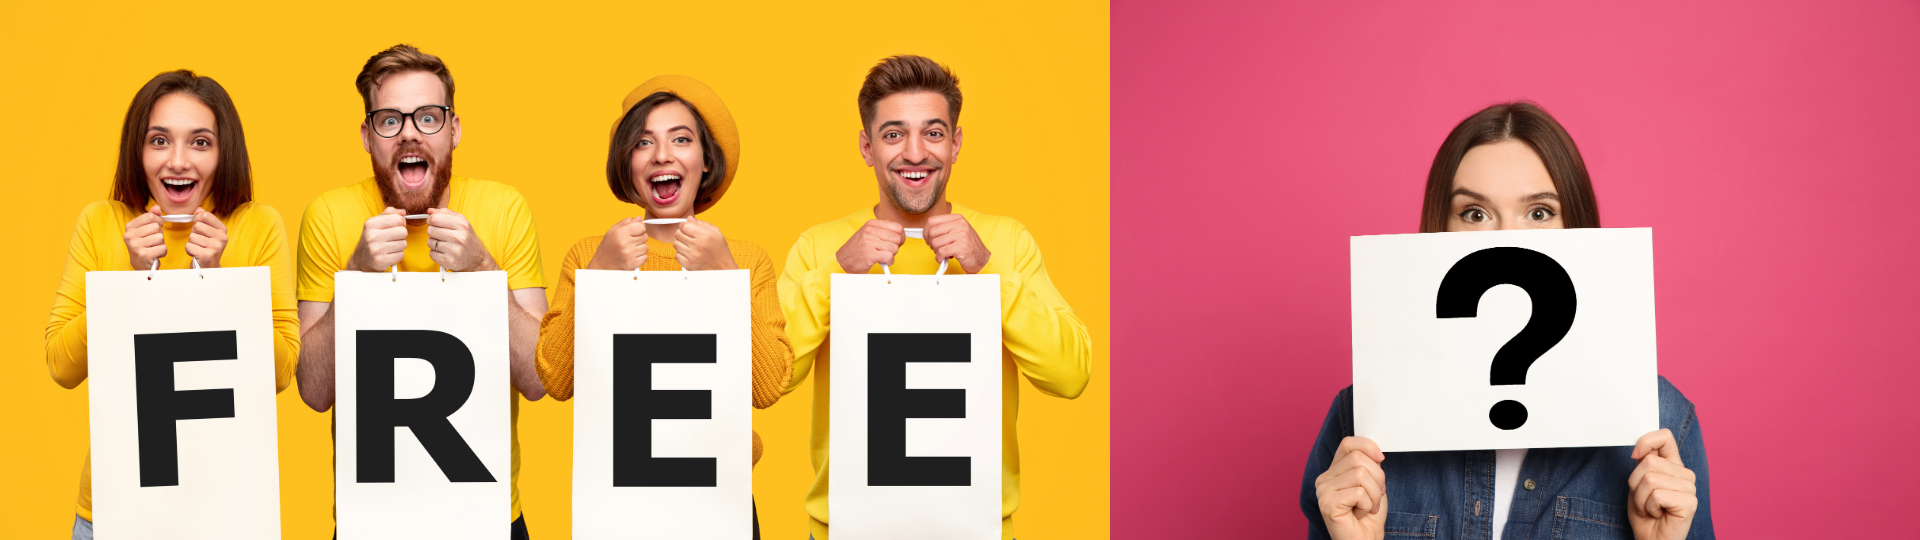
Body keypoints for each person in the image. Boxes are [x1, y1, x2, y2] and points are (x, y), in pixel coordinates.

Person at [1301, 102, 1712, 540]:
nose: (1506, 241)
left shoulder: (1657, 422)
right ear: (1438, 227)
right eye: (1475, 214)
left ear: (1578, 226)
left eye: (1539, 212)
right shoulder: (1365, 423)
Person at [780, 54, 1093, 540]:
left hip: (976, 529)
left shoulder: (1004, 242)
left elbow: (1070, 375)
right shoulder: (822, 248)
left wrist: (986, 270)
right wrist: (834, 274)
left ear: (955, 143)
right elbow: (771, 377)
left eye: (932, 132)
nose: (914, 152)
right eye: (892, 134)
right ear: (867, 147)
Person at [292, 44, 547, 539]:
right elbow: (314, 390)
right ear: (368, 136)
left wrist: (482, 269)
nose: (409, 133)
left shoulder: (503, 208)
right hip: (372, 518)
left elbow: (539, 379)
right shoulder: (330, 215)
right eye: (390, 120)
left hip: (486, 515)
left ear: (454, 130)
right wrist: (357, 277)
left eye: (428, 117)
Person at [534, 75, 793, 538]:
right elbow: (556, 378)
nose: (662, 155)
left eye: (681, 139)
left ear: (705, 161)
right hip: (616, 500)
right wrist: (600, 275)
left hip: (719, 500)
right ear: (627, 164)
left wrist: (725, 276)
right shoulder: (589, 256)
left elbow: (768, 387)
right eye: (643, 143)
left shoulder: (747, 262)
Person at [45, 69, 299, 540]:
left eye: (200, 143)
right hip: (115, 507)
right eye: (159, 141)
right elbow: (62, 365)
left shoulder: (257, 226)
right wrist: (130, 277)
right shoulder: (102, 223)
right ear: (137, 151)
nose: (178, 161)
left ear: (224, 153)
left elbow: (282, 373)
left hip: (227, 508)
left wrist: (223, 283)